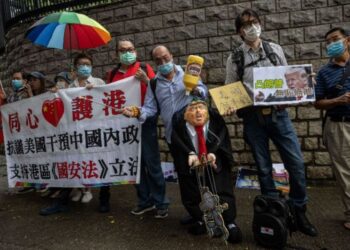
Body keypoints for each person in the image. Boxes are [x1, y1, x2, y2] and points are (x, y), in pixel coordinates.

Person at [224, 9, 318, 237]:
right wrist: (229, 104)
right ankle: (274, 211)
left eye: (254, 22)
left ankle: (298, 210)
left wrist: (302, 85)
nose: (251, 27)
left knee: (295, 163)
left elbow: (288, 80)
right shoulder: (235, 57)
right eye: (245, 25)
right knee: (264, 169)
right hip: (252, 119)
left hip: (279, 116)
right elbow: (230, 89)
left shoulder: (275, 49)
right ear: (239, 31)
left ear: (260, 24)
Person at [122, 45, 208, 227]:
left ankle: (211, 211)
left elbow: (204, 93)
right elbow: (150, 109)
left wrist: (196, 91)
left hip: (195, 134)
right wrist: (137, 111)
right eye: (158, 60)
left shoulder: (188, 74)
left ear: (172, 56)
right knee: (185, 178)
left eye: (165, 58)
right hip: (174, 138)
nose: (163, 63)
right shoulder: (154, 83)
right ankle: (194, 213)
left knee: (203, 174)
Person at [98, 39, 169, 216]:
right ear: (117, 54)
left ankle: (161, 202)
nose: (127, 52)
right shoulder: (113, 74)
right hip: (123, 125)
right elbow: (106, 96)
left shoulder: (144, 68)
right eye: (123, 50)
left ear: (135, 51)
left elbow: (159, 88)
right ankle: (144, 200)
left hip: (145, 121)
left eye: (130, 49)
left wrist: (146, 80)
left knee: (152, 163)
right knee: (134, 165)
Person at [40, 53, 105, 215]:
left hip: (94, 128)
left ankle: (93, 192)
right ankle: (79, 188)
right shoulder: (71, 86)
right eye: (81, 64)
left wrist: (95, 90)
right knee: (77, 159)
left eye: (87, 64)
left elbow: (106, 98)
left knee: (94, 159)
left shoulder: (98, 82)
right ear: (75, 68)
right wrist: (57, 93)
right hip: (76, 129)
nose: (85, 67)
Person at [170, 99, 242, 244]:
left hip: (213, 162)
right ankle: (201, 219)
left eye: (201, 108)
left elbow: (222, 142)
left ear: (208, 112)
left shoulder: (216, 125)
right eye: (193, 108)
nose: (197, 112)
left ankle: (229, 221)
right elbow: (178, 146)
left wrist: (214, 154)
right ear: (185, 115)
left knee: (221, 189)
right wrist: (189, 154)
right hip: (193, 164)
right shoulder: (180, 128)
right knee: (192, 192)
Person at [314, 27, 350, 231]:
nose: (331, 44)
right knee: (345, 173)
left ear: (348, 41)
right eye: (328, 42)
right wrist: (338, 100)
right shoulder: (325, 72)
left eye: (335, 39)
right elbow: (318, 103)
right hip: (339, 125)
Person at [7, 70, 34, 194]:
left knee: (30, 157)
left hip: (27, 130)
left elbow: (34, 106)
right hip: (16, 131)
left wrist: (29, 93)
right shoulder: (12, 95)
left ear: (24, 80)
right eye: (13, 78)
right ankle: (24, 182)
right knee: (21, 157)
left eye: (17, 78)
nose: (14, 81)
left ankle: (32, 183)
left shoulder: (27, 93)